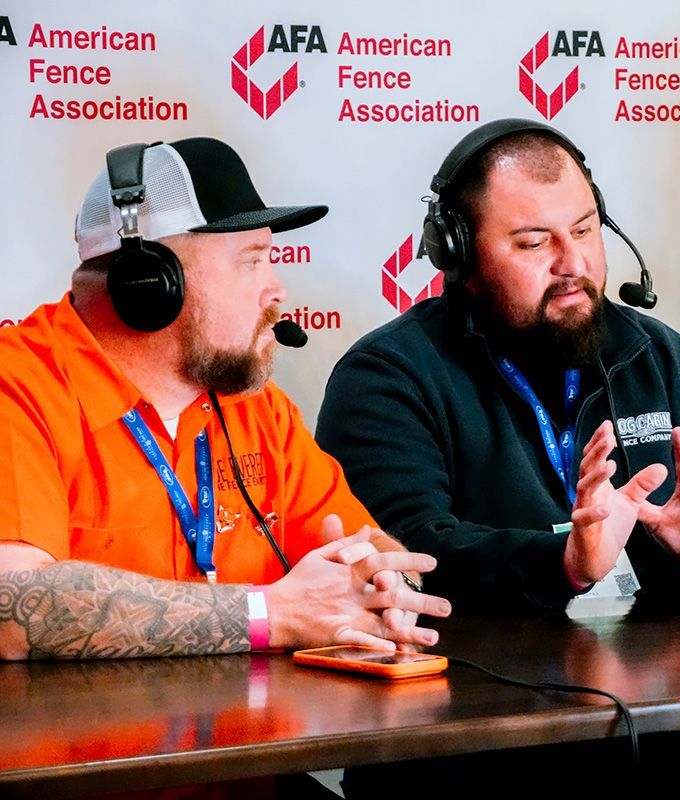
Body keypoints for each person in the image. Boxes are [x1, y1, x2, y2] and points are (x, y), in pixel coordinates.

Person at [0, 138, 451, 662]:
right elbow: (11, 609)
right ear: (148, 284)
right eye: (250, 262)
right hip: (82, 743)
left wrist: (387, 587)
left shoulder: (259, 408)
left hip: (254, 739)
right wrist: (272, 615)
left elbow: (362, 546)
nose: (277, 290)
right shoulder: (19, 388)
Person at [316, 118, 680, 612]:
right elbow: (403, 554)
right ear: (459, 256)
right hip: (476, 681)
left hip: (664, 679)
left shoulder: (659, 358)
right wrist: (565, 563)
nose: (573, 263)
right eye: (534, 243)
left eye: (584, 230)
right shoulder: (386, 378)